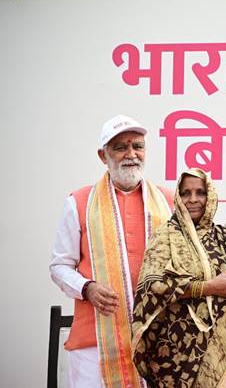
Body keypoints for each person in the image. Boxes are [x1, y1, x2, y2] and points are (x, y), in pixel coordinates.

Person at [50, 115, 173, 388]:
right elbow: (59, 266)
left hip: (157, 338)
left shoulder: (168, 201)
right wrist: (87, 288)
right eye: (120, 147)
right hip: (95, 342)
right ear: (103, 155)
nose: (131, 154)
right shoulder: (79, 202)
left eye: (138, 146)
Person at [131, 168, 226, 388]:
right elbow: (153, 286)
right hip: (177, 353)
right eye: (186, 193)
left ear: (210, 196)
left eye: (200, 192)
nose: (193, 199)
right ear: (177, 197)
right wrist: (208, 287)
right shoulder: (165, 236)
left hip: (225, 350)